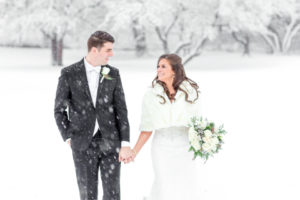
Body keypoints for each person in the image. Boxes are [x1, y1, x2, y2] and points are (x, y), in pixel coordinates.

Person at [54, 30, 132, 200]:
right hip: (82, 144)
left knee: (113, 194)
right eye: (108, 50)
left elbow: (121, 110)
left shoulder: (113, 73)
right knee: (88, 194)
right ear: (94, 50)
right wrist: (68, 136)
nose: (112, 54)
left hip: (111, 142)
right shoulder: (69, 73)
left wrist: (125, 142)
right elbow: (59, 110)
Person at [130, 54, 202, 200]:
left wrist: (204, 140)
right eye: (158, 66)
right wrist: (134, 151)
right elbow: (147, 127)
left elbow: (197, 123)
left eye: (163, 66)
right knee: (163, 183)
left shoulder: (190, 92)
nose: (158, 69)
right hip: (161, 147)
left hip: (185, 147)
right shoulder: (150, 95)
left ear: (174, 70)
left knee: (185, 184)